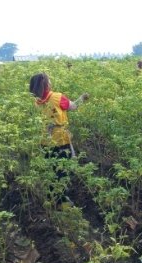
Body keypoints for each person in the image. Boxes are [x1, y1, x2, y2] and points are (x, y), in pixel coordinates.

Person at [29, 73, 89, 207]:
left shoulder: (35, 102)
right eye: (49, 81)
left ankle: (52, 198)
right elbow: (73, 106)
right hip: (60, 140)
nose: (51, 82)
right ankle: (61, 201)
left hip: (44, 141)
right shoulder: (57, 97)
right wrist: (82, 98)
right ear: (46, 84)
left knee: (51, 170)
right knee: (62, 170)